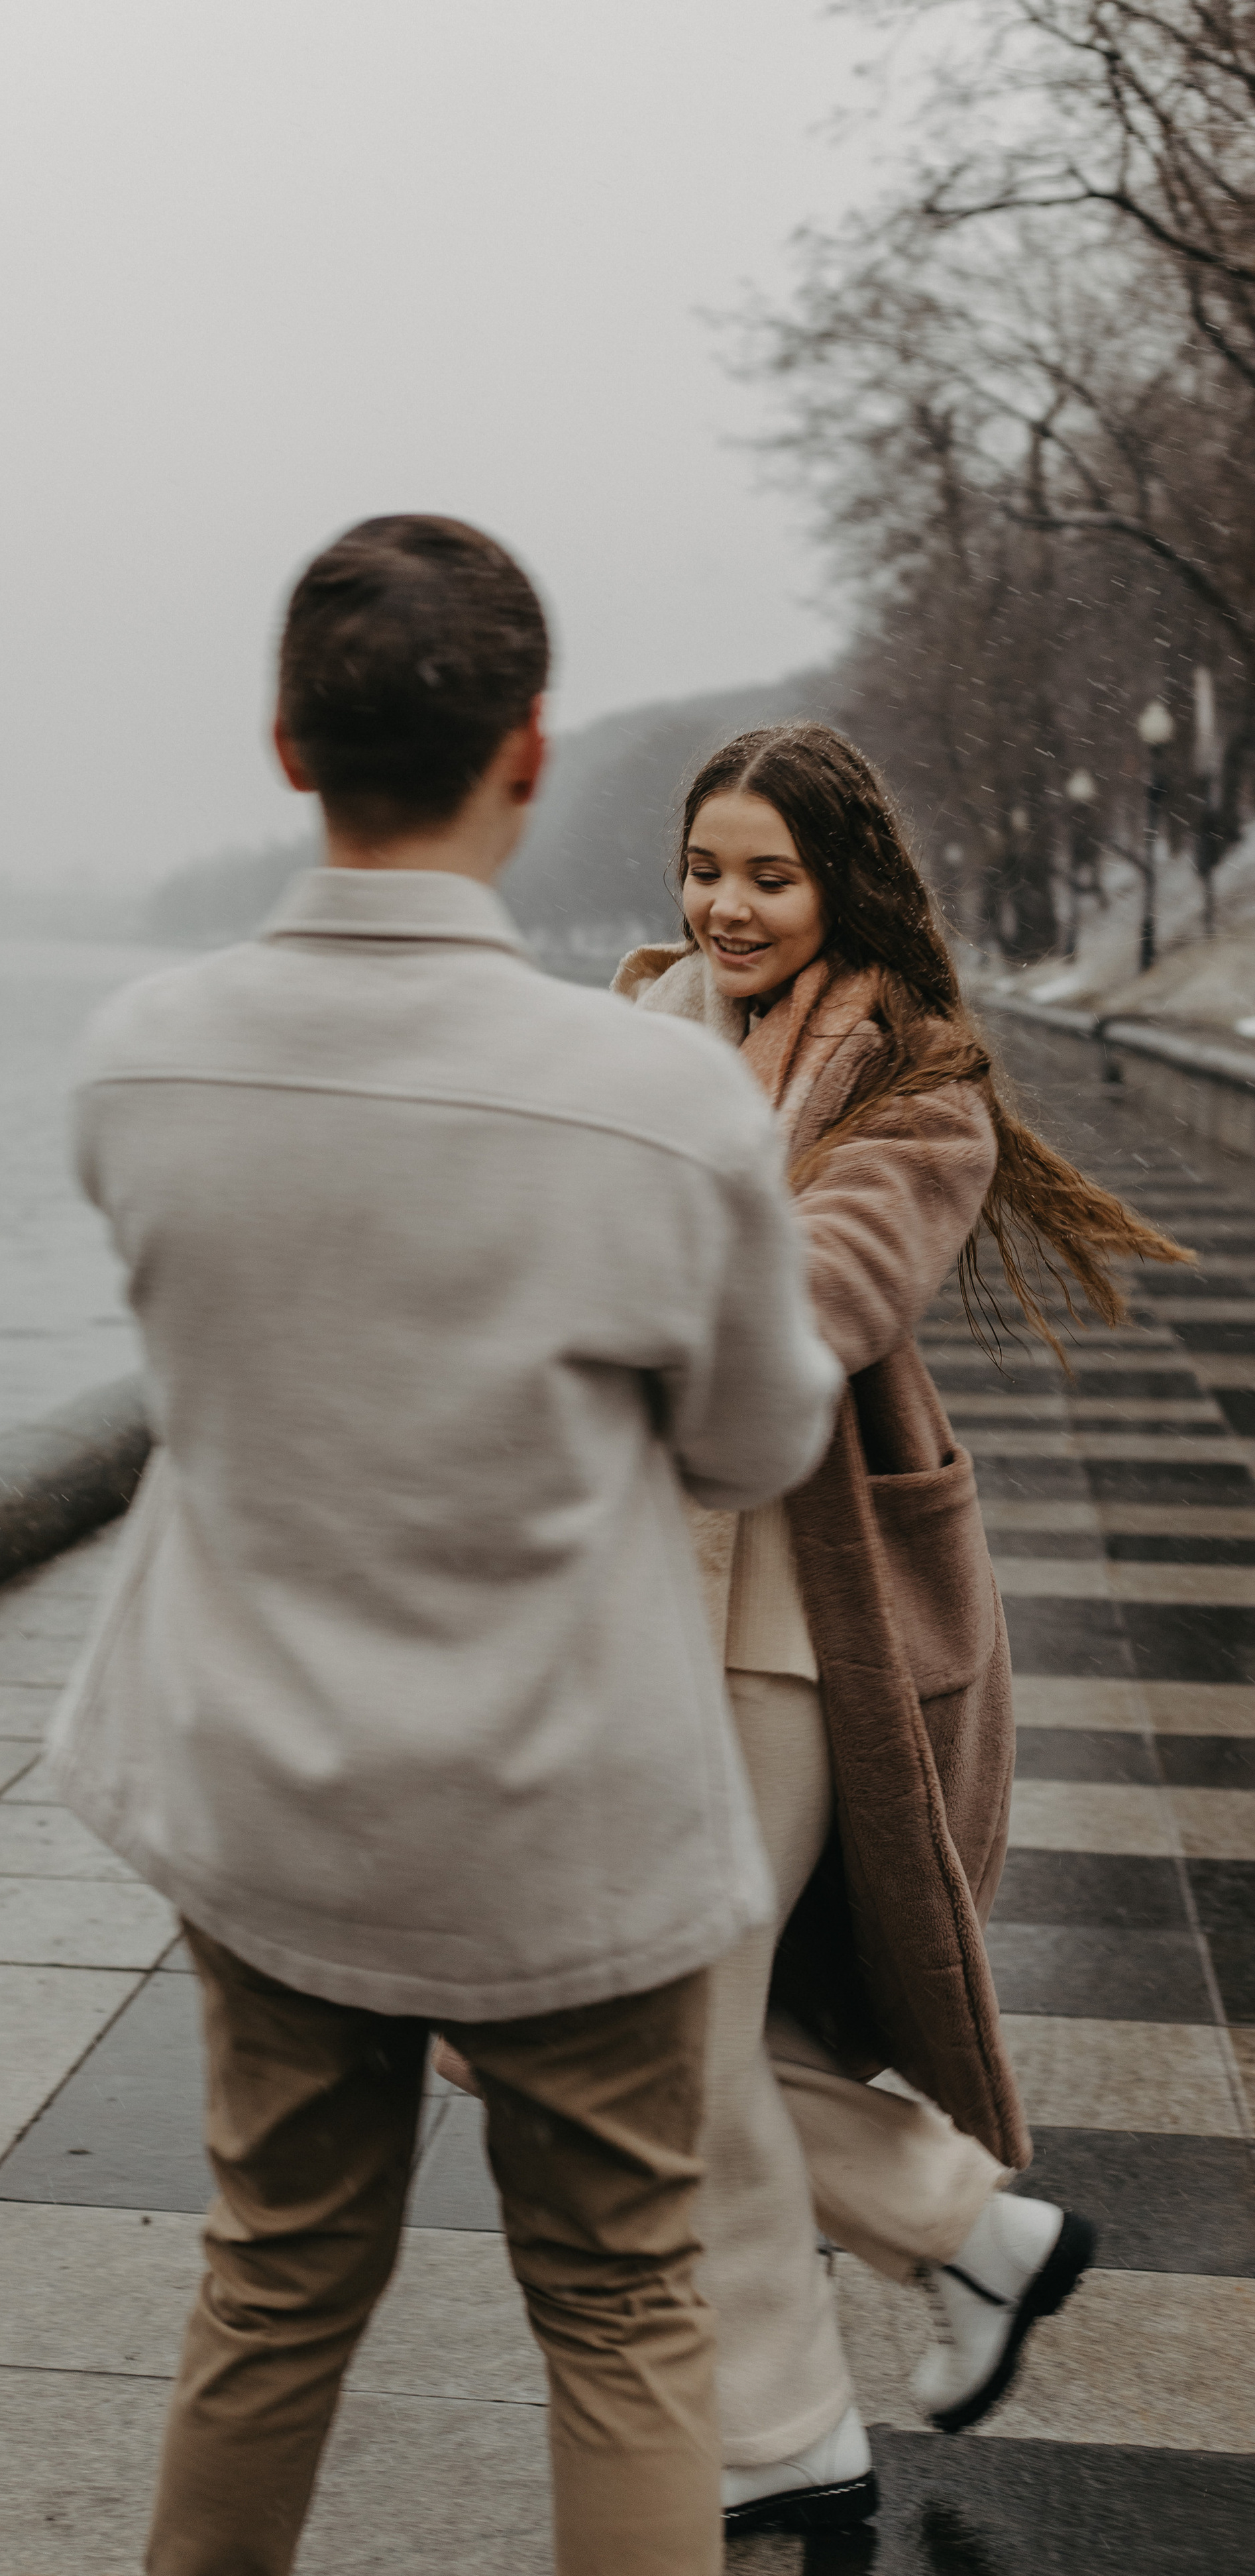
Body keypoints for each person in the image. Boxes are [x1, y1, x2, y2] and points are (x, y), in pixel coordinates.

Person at [49, 518, 843, 2576]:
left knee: (277, 2282)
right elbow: (762, 1440)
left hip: (269, 1794)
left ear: (288, 745)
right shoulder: (663, 1102)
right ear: (530, 749)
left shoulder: (139, 1057)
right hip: (560, 1812)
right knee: (623, 2306)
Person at [610, 722, 1187, 2534]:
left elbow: (826, 1295)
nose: (728, 906)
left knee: (677, 2019)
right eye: (707, 867)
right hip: (637, 1610)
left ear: (840, 881)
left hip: (800, 1619)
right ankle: (971, 2239)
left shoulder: (916, 1087)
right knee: (698, 2024)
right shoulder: (629, 1030)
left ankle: (793, 2433)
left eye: (769, 874)